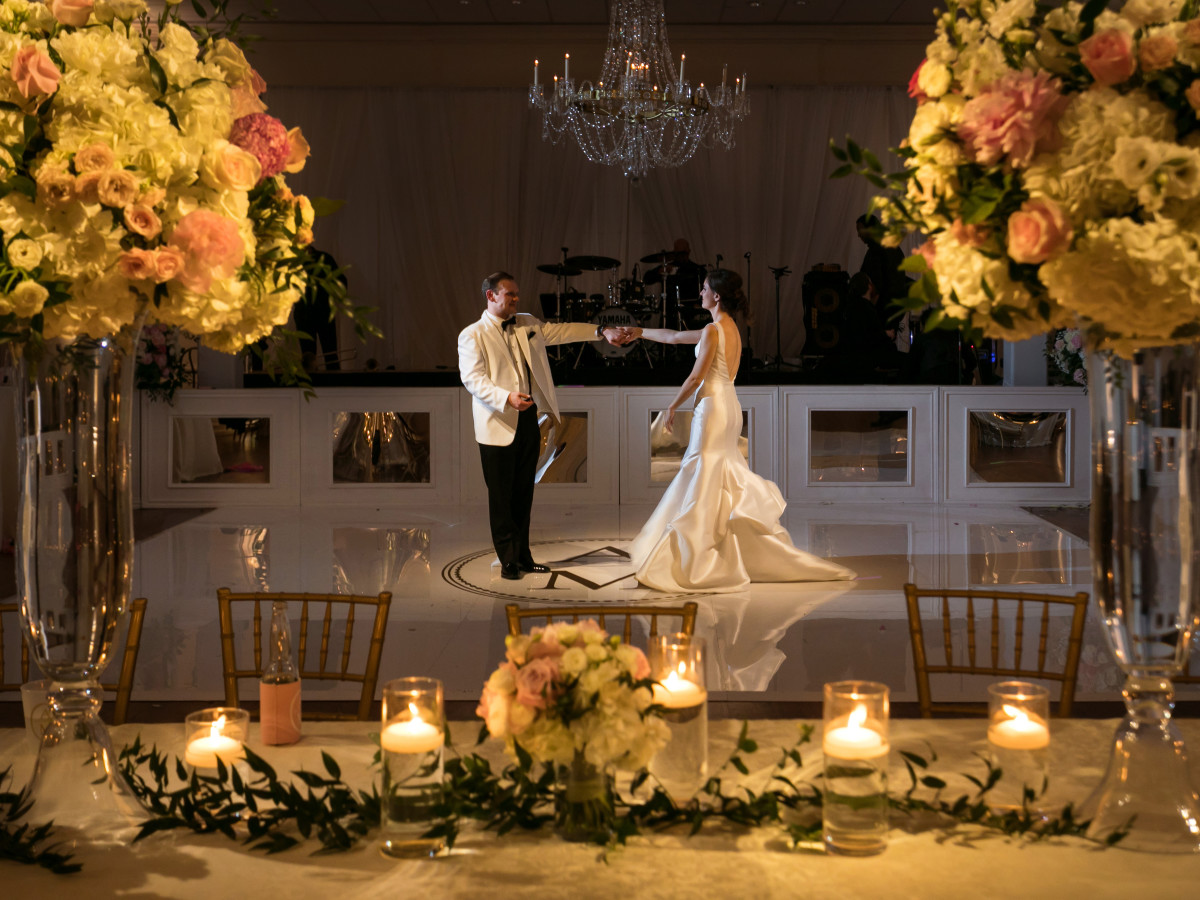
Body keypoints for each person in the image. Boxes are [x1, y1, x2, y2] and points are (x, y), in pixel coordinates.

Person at [617, 269, 856, 593]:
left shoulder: (714, 331)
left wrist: (672, 405)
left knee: (702, 475)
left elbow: (695, 378)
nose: (699, 293)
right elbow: (673, 336)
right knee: (717, 476)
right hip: (729, 406)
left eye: (703, 289)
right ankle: (721, 549)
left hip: (713, 409)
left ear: (716, 296)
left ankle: (699, 558)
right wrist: (640, 331)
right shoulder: (726, 330)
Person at [458, 271, 625, 580]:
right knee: (501, 497)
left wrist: (601, 330)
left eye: (516, 294)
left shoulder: (527, 323)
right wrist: (506, 397)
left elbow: (562, 331)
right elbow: (473, 379)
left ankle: (523, 556)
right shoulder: (472, 335)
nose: (516, 299)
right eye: (510, 294)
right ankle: (508, 559)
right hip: (497, 423)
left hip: (528, 420)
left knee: (524, 493)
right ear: (491, 296)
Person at [643, 238, 706, 306]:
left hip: (690, 309)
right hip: (669, 308)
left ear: (689, 251)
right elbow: (646, 279)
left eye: (683, 253)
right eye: (678, 253)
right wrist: (659, 271)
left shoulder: (697, 269)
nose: (681, 256)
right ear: (674, 252)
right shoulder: (668, 268)